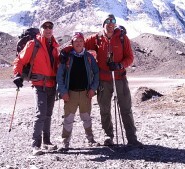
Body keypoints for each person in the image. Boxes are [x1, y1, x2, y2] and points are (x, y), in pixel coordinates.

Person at [84, 14, 143, 148]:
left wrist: (120, 65)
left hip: (120, 79)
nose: (111, 26)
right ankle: (108, 136)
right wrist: (66, 51)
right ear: (103, 25)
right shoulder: (97, 38)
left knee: (126, 109)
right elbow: (79, 43)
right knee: (104, 109)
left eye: (113, 24)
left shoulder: (122, 38)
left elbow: (130, 57)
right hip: (103, 80)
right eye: (108, 24)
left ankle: (132, 138)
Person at [13, 21, 59, 155]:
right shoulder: (33, 44)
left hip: (52, 84)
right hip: (39, 84)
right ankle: (35, 144)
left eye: (50, 27)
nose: (48, 29)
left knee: (48, 114)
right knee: (40, 114)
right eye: (45, 27)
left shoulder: (55, 46)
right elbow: (20, 60)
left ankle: (46, 142)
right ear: (41, 29)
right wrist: (17, 74)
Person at [56, 32, 100, 151]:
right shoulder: (67, 57)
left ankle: (90, 139)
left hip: (86, 93)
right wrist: (63, 91)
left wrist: (93, 89)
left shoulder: (89, 57)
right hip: (70, 94)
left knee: (86, 118)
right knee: (68, 118)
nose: (79, 43)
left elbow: (96, 73)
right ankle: (65, 141)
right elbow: (60, 76)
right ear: (72, 43)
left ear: (84, 42)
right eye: (76, 41)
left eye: (81, 41)